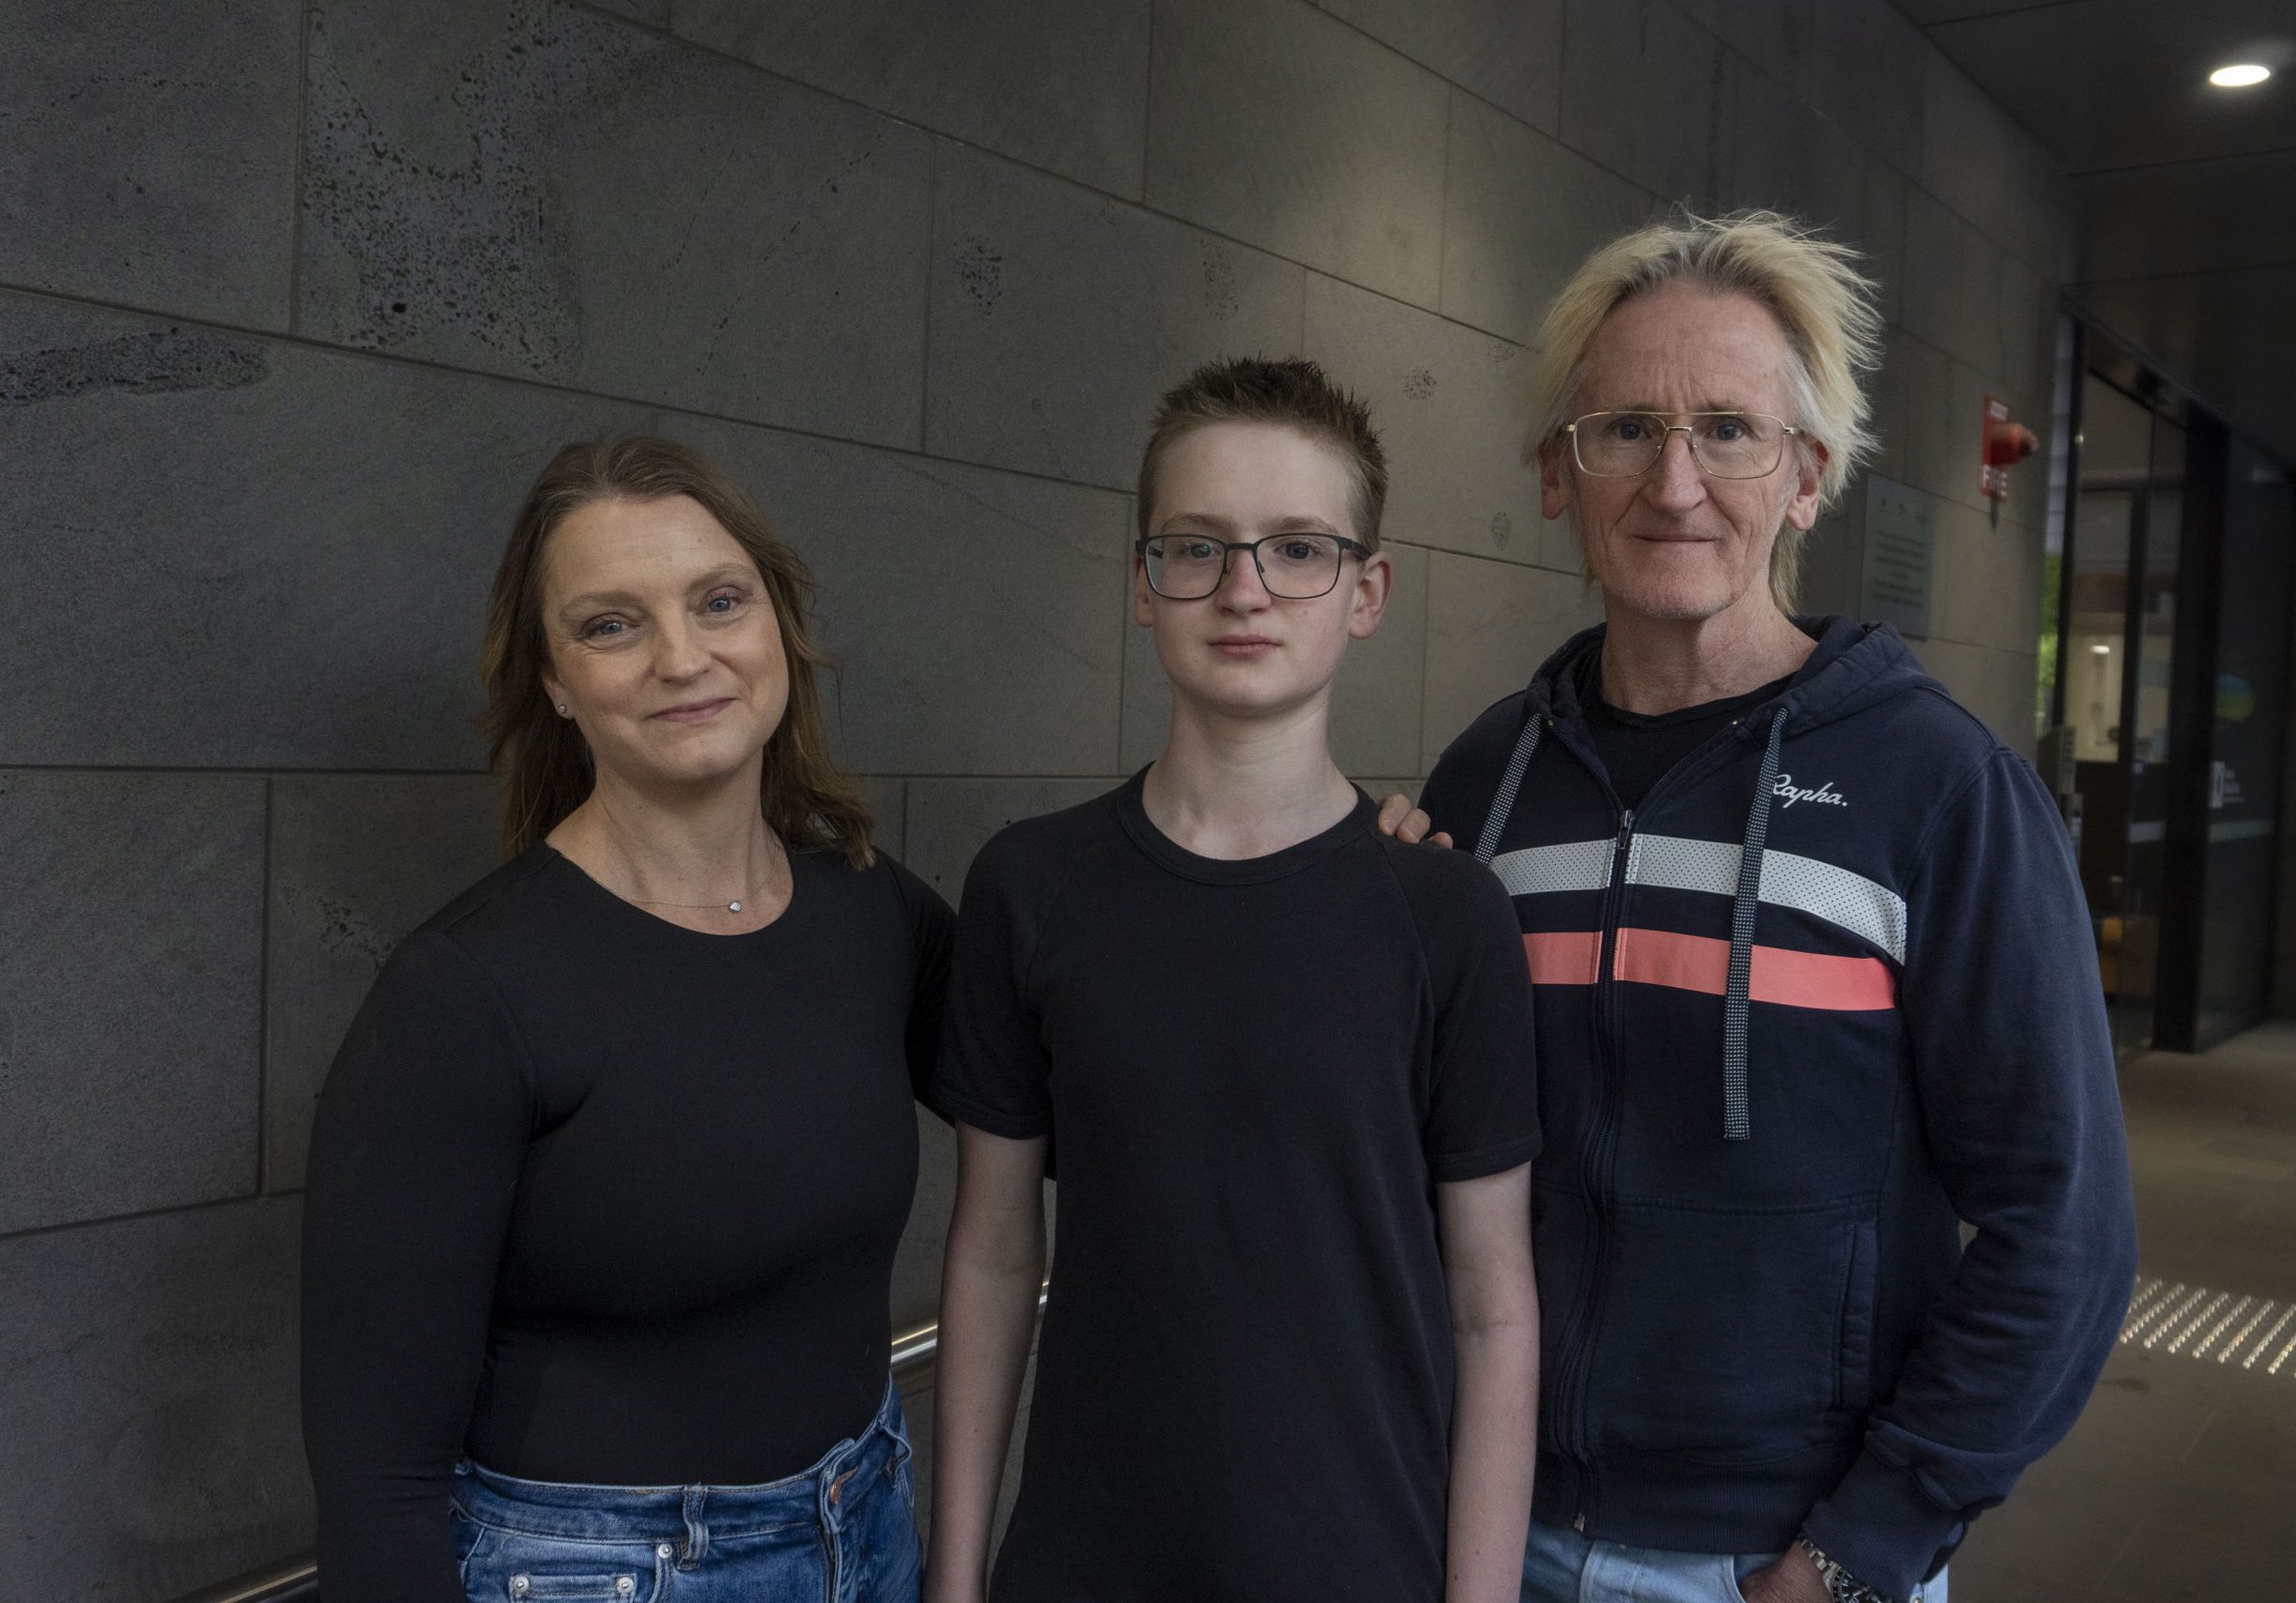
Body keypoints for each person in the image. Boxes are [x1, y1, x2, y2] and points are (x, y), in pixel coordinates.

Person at [1382, 213, 2138, 1603]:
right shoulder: (1489, 781)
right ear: (1555, 473)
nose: (1674, 483)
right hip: (1483, 1521)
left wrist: (1858, 1549)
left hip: (1773, 1557)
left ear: (1808, 477)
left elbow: (2066, 1228)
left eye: (1728, 430)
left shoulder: (1939, 790)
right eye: (1624, 429)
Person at [925, 358, 1542, 1603]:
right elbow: (991, 1254)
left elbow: (1492, 1305)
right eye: (1196, 547)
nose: (1243, 588)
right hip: (1086, 1563)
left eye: (1298, 549)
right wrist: (955, 1573)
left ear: (1366, 591)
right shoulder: (1032, 888)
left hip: (1360, 1562)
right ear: (1141, 584)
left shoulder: (1446, 915)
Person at [300, 437, 950, 1603]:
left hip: (869, 1526)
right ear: (553, 681)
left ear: (779, 624)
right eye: (611, 625)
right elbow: (375, 1477)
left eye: (720, 601)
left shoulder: (871, 909)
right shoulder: (468, 991)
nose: (683, 657)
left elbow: (1085, 1087)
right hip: (600, 1571)